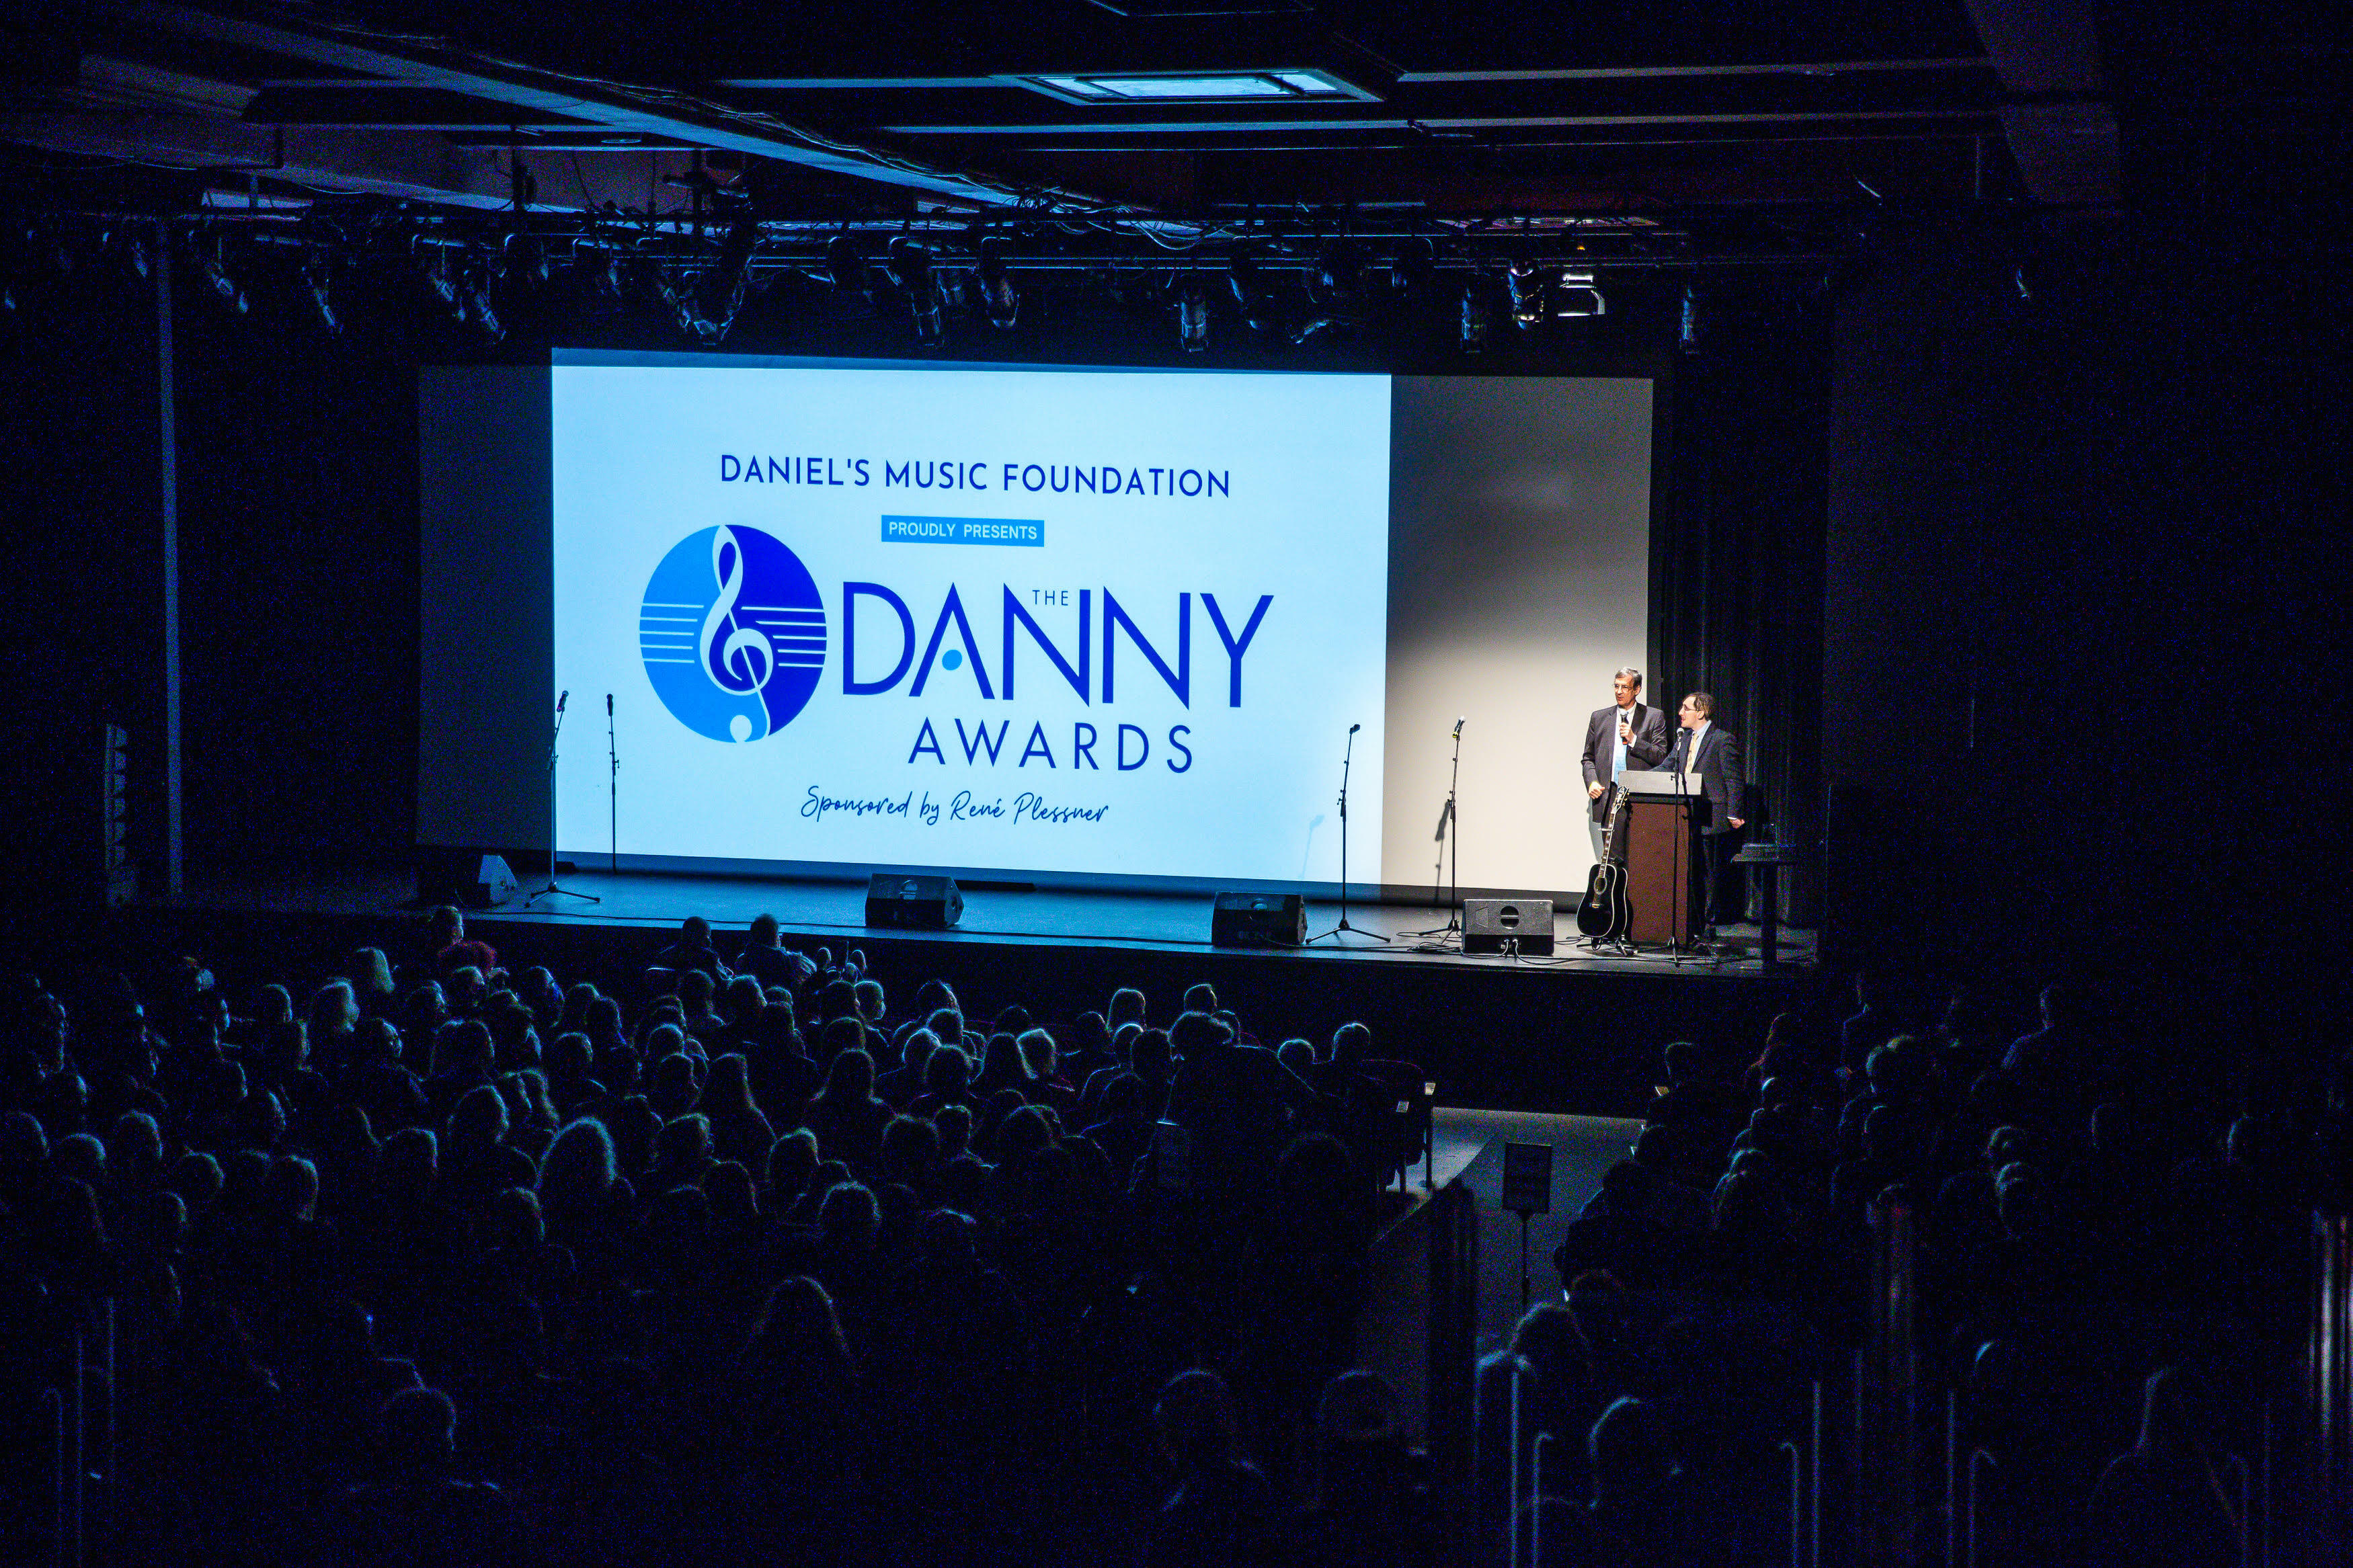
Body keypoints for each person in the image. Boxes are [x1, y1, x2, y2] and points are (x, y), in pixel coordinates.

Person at [1665, 692, 1745, 932]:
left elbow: (1734, 779)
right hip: (1686, 816)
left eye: (1686, 708)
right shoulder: (1683, 740)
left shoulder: (1722, 740)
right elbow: (1667, 767)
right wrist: (1635, 778)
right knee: (1689, 871)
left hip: (1712, 817)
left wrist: (1734, 812)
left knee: (1710, 873)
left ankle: (1709, 924)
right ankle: (1691, 922)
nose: (1680, 713)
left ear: (1700, 712)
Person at [1580, 668, 1671, 862]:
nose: (1619, 692)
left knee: (1640, 856)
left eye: (1625, 688)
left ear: (1637, 689)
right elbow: (1588, 758)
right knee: (1613, 859)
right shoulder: (1600, 718)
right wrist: (1592, 781)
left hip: (1640, 795)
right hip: (1611, 793)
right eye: (1616, 686)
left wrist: (1634, 740)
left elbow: (1661, 757)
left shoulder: (1653, 717)